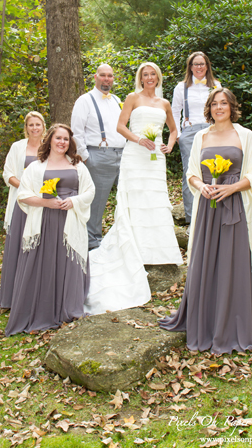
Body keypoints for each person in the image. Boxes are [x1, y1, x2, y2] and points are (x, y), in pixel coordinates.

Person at [159, 87, 252, 353]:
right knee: (206, 260)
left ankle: (235, 323)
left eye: (224, 103)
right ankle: (205, 321)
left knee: (234, 262)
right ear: (209, 108)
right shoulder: (201, 136)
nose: (219, 108)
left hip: (236, 207)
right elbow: (191, 172)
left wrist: (233, 187)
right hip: (208, 210)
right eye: (214, 104)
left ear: (232, 107)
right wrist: (201, 186)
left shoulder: (245, 135)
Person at [84, 62, 182, 316]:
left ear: (158, 78)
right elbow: (120, 126)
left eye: (153, 74)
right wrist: (139, 139)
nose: (149, 78)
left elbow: (173, 130)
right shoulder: (131, 98)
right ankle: (134, 245)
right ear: (141, 78)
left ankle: (158, 248)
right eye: (145, 74)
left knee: (154, 199)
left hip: (155, 158)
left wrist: (169, 145)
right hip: (134, 155)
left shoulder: (165, 104)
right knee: (135, 198)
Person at [6, 124, 95, 336]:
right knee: (44, 264)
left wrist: (73, 201)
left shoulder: (78, 165)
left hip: (70, 222)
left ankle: (68, 308)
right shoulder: (36, 167)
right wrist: (46, 203)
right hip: (44, 223)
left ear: (70, 142)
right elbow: (23, 195)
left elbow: (90, 191)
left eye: (66, 139)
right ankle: (42, 309)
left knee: (68, 262)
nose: (62, 142)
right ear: (50, 140)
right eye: (58, 138)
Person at [70, 64, 125, 250]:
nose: (107, 79)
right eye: (103, 75)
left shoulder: (117, 100)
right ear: (95, 77)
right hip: (98, 156)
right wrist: (87, 158)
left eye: (110, 76)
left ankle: (121, 238)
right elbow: (76, 132)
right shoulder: (84, 100)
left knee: (126, 198)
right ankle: (92, 243)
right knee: (97, 203)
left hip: (122, 156)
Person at [0, 111, 47, 309]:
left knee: (39, 245)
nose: (35, 128)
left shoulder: (49, 146)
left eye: (38, 124)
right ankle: (12, 298)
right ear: (26, 128)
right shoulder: (18, 147)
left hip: (42, 203)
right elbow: (7, 173)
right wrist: (24, 186)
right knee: (18, 246)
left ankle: (35, 295)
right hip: (21, 202)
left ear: (44, 126)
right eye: (31, 125)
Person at [171, 52, 221, 225]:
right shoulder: (181, 87)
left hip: (212, 130)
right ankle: (193, 221)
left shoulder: (215, 85)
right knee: (190, 174)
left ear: (207, 66)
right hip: (190, 132)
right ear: (190, 67)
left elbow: (221, 109)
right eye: (195, 64)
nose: (199, 67)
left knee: (214, 171)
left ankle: (214, 216)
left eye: (202, 64)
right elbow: (174, 112)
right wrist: (178, 135)